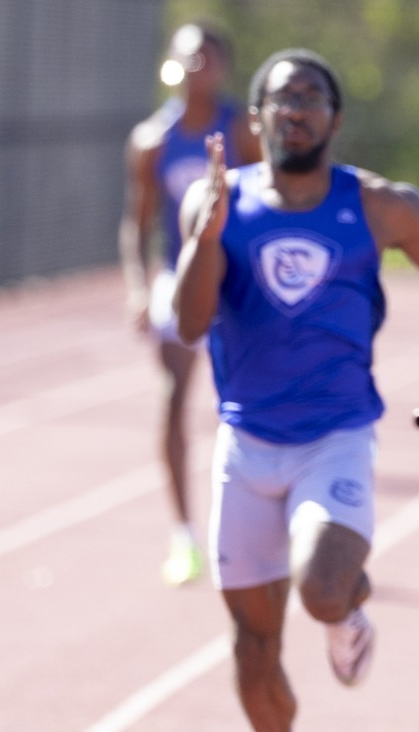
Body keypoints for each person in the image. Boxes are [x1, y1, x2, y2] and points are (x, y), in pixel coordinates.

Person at [172, 50, 419, 732]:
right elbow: (190, 320)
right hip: (245, 442)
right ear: (257, 119)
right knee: (251, 644)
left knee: (317, 585)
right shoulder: (217, 204)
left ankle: (346, 607)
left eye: (311, 98)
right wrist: (206, 237)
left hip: (335, 436)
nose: (296, 112)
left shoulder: (378, 205)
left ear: (335, 119)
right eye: (280, 101)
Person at [120, 23, 260, 586]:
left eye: (207, 58)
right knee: (175, 397)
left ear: (223, 66)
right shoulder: (152, 139)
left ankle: (255, 527)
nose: (197, 67)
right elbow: (139, 221)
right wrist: (137, 283)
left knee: (244, 402)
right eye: (187, 58)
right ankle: (184, 536)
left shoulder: (243, 132)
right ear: (170, 67)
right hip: (180, 279)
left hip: (240, 283)